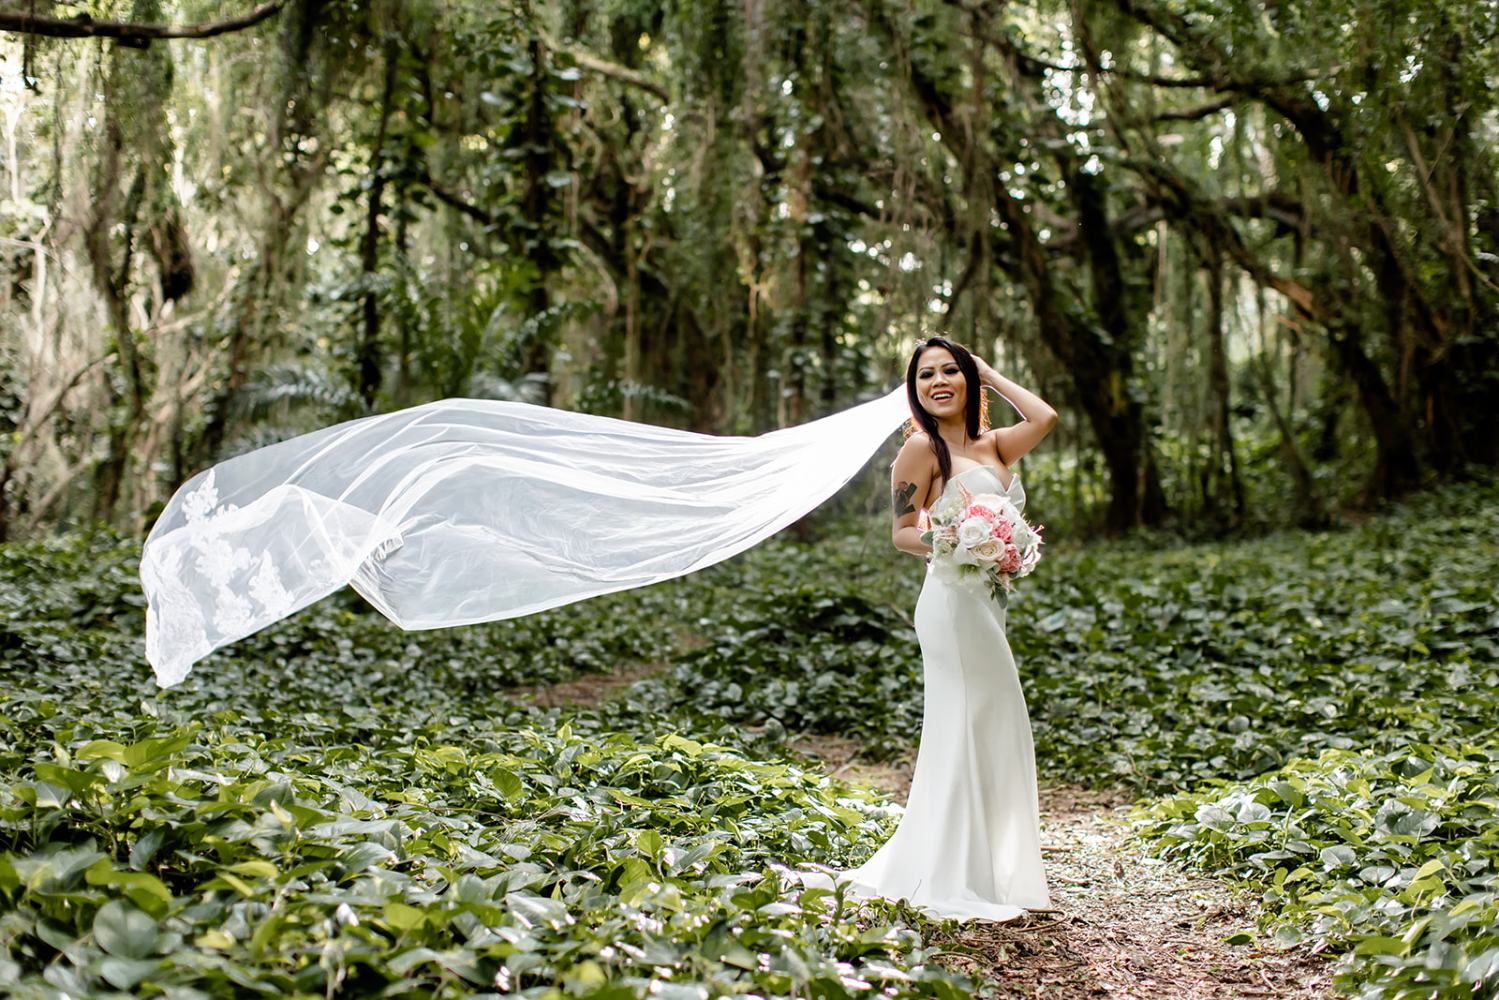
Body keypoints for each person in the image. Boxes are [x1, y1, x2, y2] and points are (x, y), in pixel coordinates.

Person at [800, 335, 1057, 923]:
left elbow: (1045, 416)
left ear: (968, 379)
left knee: (992, 721)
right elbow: (901, 533)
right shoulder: (921, 448)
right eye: (924, 377)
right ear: (913, 392)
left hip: (987, 602)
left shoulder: (995, 446)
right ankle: (949, 867)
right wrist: (960, 541)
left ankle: (987, 865)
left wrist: (988, 370)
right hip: (949, 601)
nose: (937, 383)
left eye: (949, 371)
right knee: (966, 721)